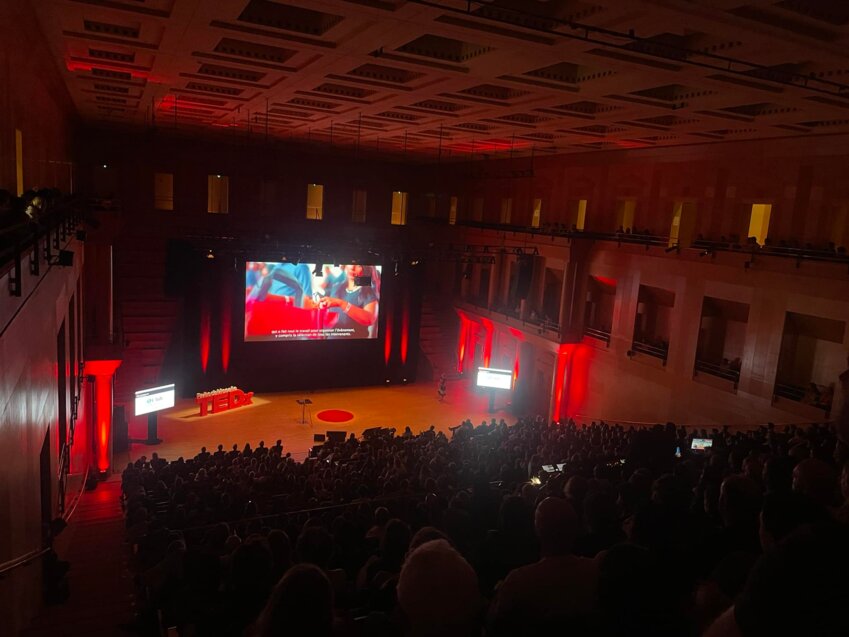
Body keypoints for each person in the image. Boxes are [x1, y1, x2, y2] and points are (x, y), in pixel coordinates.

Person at [318, 264, 379, 338]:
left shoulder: (367, 290)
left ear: (365, 269)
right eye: (350, 263)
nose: (352, 267)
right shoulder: (336, 287)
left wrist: (341, 303)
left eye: (358, 265)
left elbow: (370, 319)